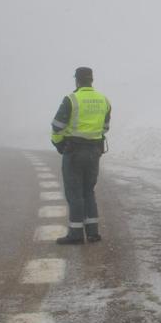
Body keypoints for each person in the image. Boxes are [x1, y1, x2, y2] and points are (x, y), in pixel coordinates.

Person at [51, 66, 111, 244]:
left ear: (77, 80)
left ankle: (76, 234)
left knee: (74, 193)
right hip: (94, 151)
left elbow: (57, 126)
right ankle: (93, 233)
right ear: (91, 79)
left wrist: (58, 143)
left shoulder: (71, 99)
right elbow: (105, 128)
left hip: (74, 151)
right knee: (88, 191)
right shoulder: (104, 100)